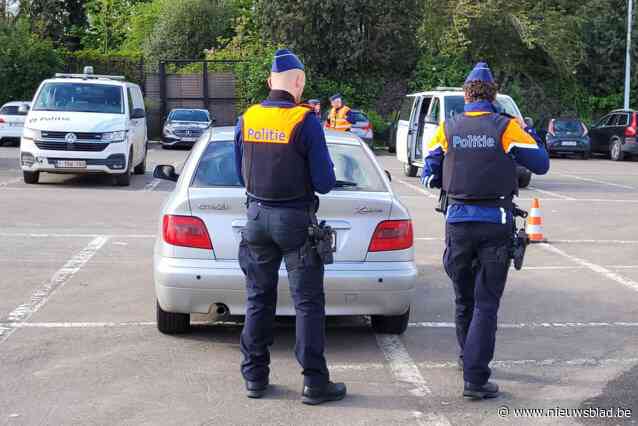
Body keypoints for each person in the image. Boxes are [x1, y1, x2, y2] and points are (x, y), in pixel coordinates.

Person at [420, 62, 549, 400]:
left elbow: (428, 168)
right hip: (495, 223)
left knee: (463, 297)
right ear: (493, 94)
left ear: (465, 95)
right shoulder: (505, 127)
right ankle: (476, 379)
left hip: (458, 223)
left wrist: (443, 176)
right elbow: (541, 163)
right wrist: (526, 129)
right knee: (486, 302)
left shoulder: (448, 128)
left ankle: (467, 358)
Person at [234, 48, 347, 405]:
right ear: (298, 82)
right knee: (308, 303)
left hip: (255, 218)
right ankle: (314, 383)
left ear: (270, 81)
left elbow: (241, 173)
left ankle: (255, 378)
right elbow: (325, 182)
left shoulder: (248, 117)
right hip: (295, 221)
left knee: (257, 298)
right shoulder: (305, 120)